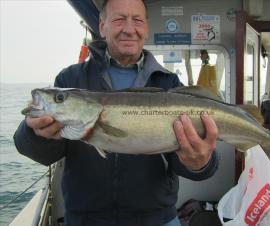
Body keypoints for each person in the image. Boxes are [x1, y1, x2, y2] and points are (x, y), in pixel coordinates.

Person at [13, 0, 219, 225]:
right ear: (102, 27)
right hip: (85, 220)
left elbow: (186, 163)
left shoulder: (169, 84)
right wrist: (36, 135)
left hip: (158, 220)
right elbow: (43, 154)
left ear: (146, 28)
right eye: (119, 19)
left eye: (137, 20)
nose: (129, 29)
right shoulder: (70, 80)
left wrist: (200, 163)